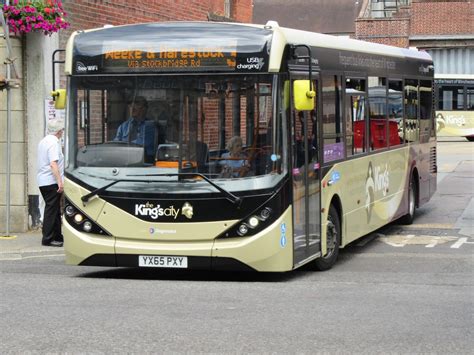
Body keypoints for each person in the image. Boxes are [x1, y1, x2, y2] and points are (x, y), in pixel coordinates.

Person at [37, 118, 65, 247]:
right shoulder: (54, 143)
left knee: (54, 209)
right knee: (51, 210)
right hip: (51, 181)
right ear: (59, 131)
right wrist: (60, 182)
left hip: (43, 180)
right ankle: (47, 238)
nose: (62, 133)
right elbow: (53, 164)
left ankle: (58, 236)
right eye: (62, 130)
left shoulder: (43, 141)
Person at [114, 96, 155, 161]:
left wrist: (122, 145)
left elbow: (141, 143)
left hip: (146, 162)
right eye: (130, 105)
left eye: (137, 104)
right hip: (124, 160)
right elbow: (116, 143)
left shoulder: (150, 126)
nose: (132, 107)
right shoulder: (124, 126)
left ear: (144, 108)